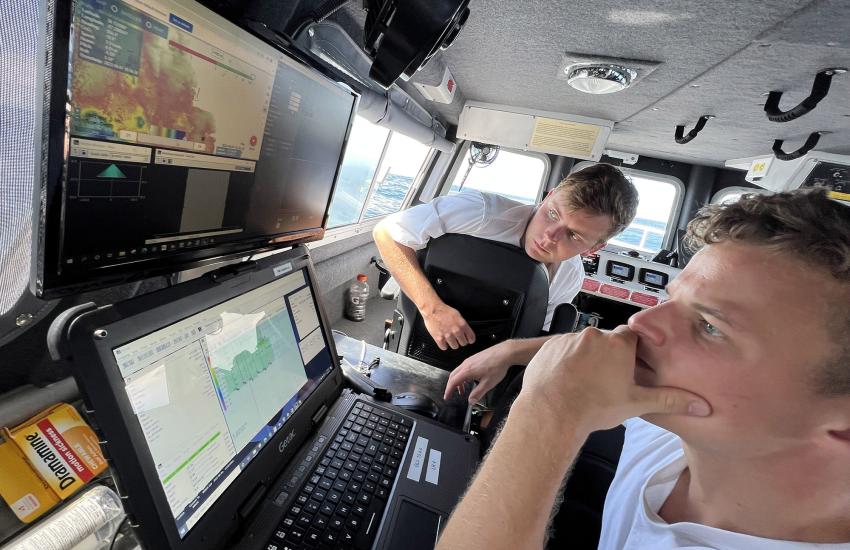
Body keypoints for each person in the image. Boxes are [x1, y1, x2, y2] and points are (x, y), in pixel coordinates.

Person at [436, 188, 850, 549]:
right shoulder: (679, 431)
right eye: (673, 301)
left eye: (710, 327)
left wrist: (546, 412)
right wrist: (511, 350)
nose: (638, 322)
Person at [372, 163, 638, 352]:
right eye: (552, 214)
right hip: (419, 322)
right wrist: (432, 309)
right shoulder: (480, 212)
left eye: (574, 236)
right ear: (549, 196)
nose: (548, 237)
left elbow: (530, 334)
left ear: (593, 249)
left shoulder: (570, 277)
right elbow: (387, 233)